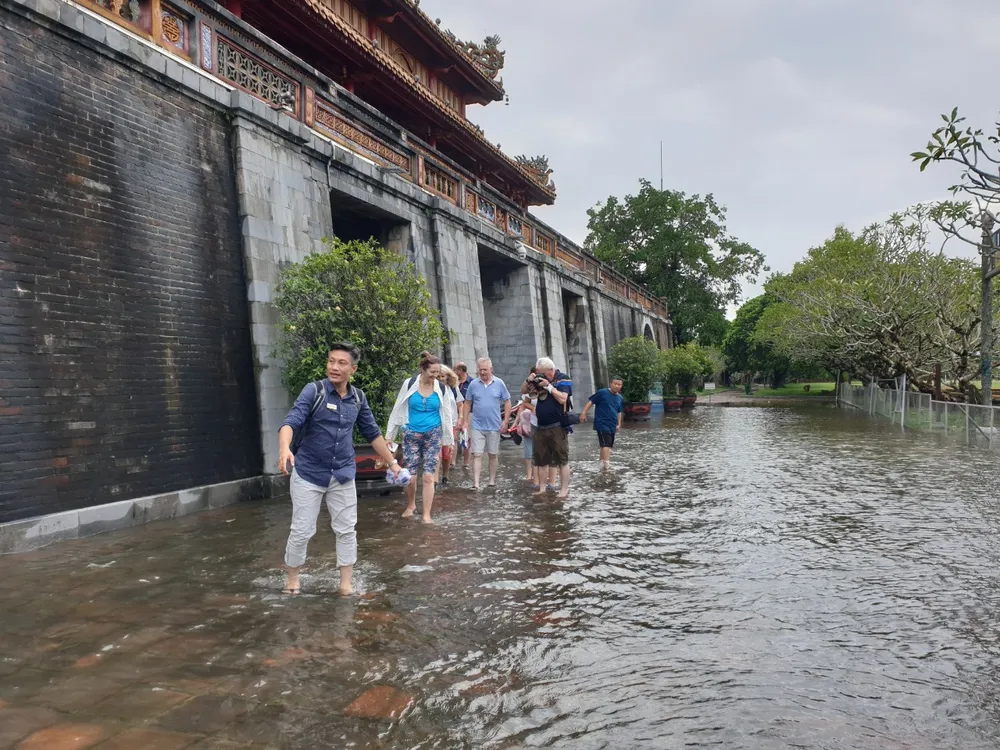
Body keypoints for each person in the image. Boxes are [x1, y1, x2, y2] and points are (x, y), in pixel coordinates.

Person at [277, 342, 401, 597]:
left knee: (346, 530)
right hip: (308, 472)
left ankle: (345, 585)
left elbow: (372, 433)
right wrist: (284, 448)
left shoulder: (358, 398)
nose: (334, 367)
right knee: (301, 531)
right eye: (331, 361)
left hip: (343, 474)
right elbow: (291, 421)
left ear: (352, 369)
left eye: (341, 363)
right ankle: (292, 578)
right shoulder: (314, 391)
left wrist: (393, 463)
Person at [386, 352, 455, 524]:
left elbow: (447, 414)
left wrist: (449, 441)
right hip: (411, 434)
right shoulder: (409, 384)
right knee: (411, 475)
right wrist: (389, 436)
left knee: (429, 476)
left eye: (437, 372)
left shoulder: (442, 388)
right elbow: (397, 409)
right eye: (432, 372)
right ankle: (410, 505)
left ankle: (426, 514)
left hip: (433, 434)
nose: (435, 376)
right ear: (422, 370)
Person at [463, 357, 511, 490]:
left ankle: (491, 481)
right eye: (480, 370)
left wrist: (506, 421)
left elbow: (507, 401)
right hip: (477, 425)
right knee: (477, 454)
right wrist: (465, 421)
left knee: (492, 454)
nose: (482, 372)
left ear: (491, 369)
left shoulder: (499, 383)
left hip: (494, 425)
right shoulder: (473, 384)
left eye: (485, 370)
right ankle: (476, 483)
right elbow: (467, 403)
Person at [530, 356, 573, 498]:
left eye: (542, 373)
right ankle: (542, 488)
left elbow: (562, 398)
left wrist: (548, 386)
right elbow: (525, 392)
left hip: (557, 426)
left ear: (551, 370)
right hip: (540, 426)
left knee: (562, 460)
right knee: (541, 460)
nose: (541, 376)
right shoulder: (539, 379)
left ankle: (563, 491)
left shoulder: (563, 379)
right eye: (538, 373)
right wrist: (529, 380)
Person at [580, 376, 625, 470]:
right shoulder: (602, 393)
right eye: (615, 384)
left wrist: (619, 424)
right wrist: (584, 413)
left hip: (612, 424)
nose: (617, 386)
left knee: (605, 444)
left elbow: (619, 411)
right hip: (602, 423)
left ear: (621, 386)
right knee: (606, 444)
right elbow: (591, 402)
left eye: (619, 384)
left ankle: (601, 463)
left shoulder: (620, 398)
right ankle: (606, 464)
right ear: (610, 383)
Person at [437, 365, 465, 486]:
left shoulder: (453, 388)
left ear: (448, 377)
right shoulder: (431, 388)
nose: (440, 379)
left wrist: (461, 418)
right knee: (436, 453)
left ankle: (445, 475)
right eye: (438, 376)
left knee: (447, 452)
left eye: (443, 376)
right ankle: (434, 480)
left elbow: (460, 405)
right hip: (436, 424)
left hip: (451, 424)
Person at [454, 362, 472, 467]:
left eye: (455, 370)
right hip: (454, 413)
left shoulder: (472, 383)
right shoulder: (454, 383)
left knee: (466, 437)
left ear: (460, 370)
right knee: (455, 438)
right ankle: (453, 462)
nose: (454, 372)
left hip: (468, 414)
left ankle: (466, 462)